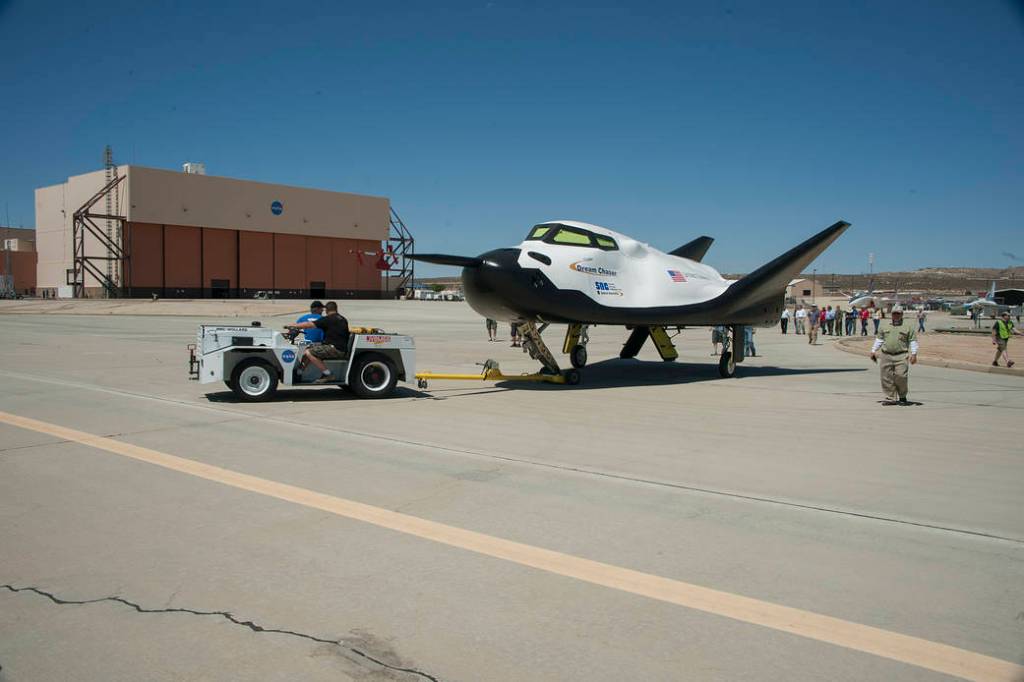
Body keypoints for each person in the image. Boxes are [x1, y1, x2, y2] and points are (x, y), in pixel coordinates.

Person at [284, 301, 350, 383]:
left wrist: (292, 326)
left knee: (309, 352)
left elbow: (309, 325)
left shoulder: (328, 319)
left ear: (326, 310)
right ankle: (299, 373)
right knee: (308, 350)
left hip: (335, 349)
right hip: (338, 347)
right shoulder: (342, 319)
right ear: (336, 309)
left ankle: (328, 374)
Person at [871, 305, 918, 404]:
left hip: (901, 355)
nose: (896, 315)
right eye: (894, 313)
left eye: (898, 313)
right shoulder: (884, 325)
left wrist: (914, 354)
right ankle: (890, 397)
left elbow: (913, 341)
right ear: (891, 314)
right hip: (886, 355)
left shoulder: (908, 326)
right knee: (886, 377)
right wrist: (873, 350)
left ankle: (902, 396)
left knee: (901, 376)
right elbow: (879, 339)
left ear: (902, 314)